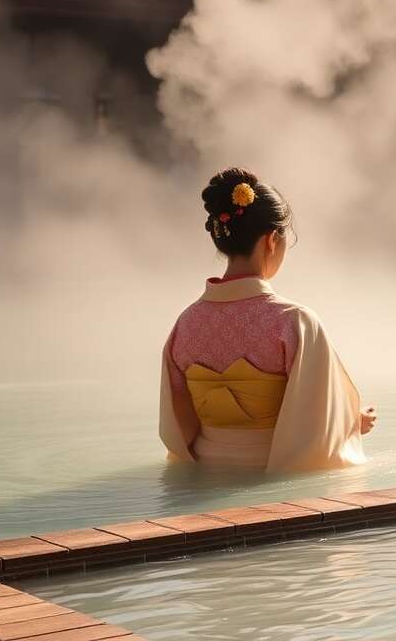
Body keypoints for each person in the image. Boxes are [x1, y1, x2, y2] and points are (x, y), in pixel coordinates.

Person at [158, 168, 376, 471]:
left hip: (204, 473)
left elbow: (178, 428)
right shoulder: (294, 321)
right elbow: (312, 431)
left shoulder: (186, 323)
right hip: (272, 479)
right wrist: (351, 423)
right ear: (272, 240)